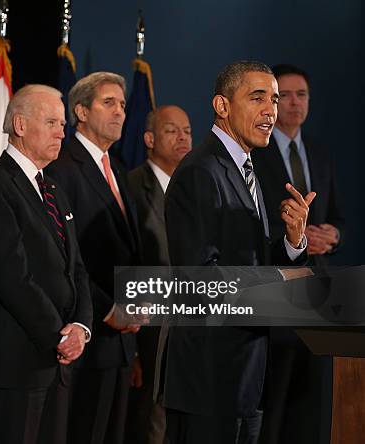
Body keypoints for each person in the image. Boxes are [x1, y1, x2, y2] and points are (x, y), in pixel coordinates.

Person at [163, 60, 314, 444]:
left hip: (245, 375)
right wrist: (281, 278)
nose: (271, 110)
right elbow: (199, 279)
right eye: (258, 97)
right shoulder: (201, 171)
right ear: (222, 106)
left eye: (275, 99)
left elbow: (252, 262)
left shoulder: (247, 168)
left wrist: (293, 242)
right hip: (209, 378)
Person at [0, 84, 92, 444]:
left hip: (57, 366)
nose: (61, 132)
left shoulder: (53, 188)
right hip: (16, 366)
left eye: (63, 124)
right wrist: (59, 335)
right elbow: (11, 278)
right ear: (20, 125)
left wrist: (81, 326)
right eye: (52, 122)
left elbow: (76, 268)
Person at [46, 72, 141, 444]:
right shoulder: (62, 168)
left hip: (122, 340)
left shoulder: (117, 168)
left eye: (122, 105)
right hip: (89, 334)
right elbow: (66, 257)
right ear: (80, 112)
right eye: (108, 103)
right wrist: (108, 310)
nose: (119, 112)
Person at [252, 64, 344, 444]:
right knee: (275, 397)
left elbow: (336, 215)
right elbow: (254, 219)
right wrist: (300, 236)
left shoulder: (319, 153)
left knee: (312, 397)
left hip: (320, 291)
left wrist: (333, 234)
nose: (293, 103)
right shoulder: (257, 152)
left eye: (300, 95)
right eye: (283, 95)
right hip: (277, 286)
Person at [125, 105, 192, 444]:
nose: (183, 138)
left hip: (192, 329)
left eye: (188, 131)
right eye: (172, 130)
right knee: (150, 426)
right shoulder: (131, 187)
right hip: (149, 335)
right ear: (149, 138)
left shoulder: (197, 189)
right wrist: (132, 347)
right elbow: (126, 262)